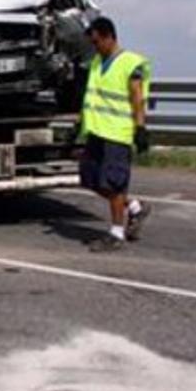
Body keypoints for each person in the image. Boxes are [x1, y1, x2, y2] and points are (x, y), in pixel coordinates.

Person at [78, 17, 151, 252]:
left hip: (118, 133)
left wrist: (140, 128)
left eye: (97, 41)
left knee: (113, 183)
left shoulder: (130, 63)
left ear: (109, 36)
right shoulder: (98, 62)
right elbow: (93, 96)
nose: (95, 46)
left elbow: (137, 98)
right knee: (89, 177)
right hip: (98, 130)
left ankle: (116, 233)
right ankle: (134, 207)